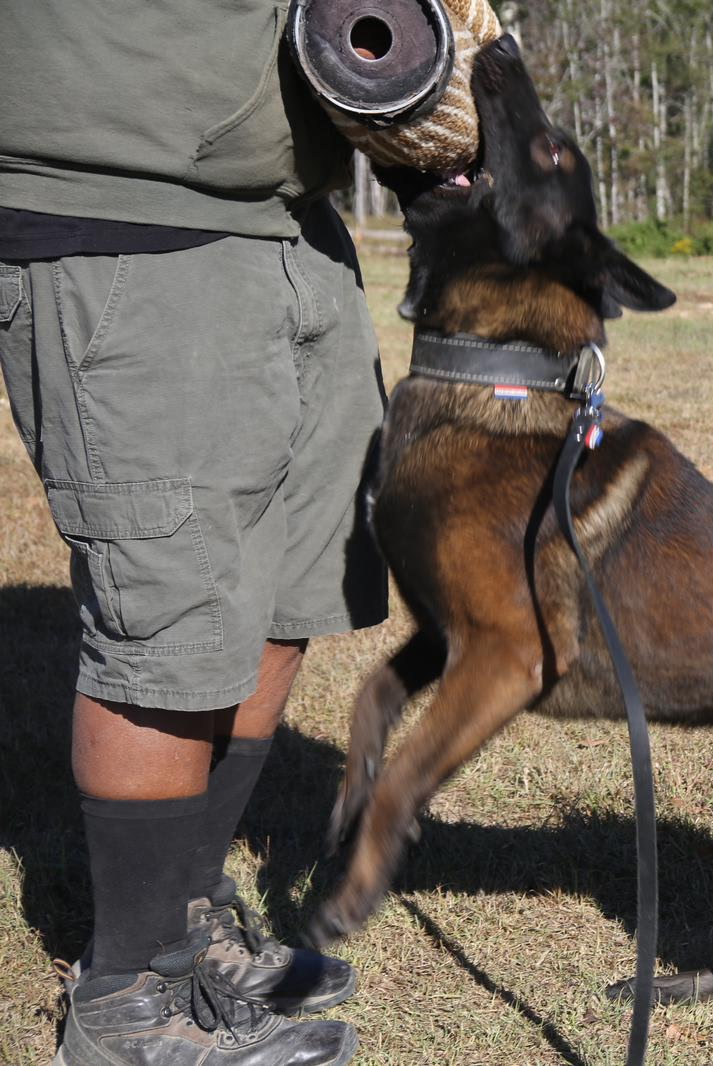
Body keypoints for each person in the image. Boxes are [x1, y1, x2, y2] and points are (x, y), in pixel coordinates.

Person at [0, 5, 389, 1064]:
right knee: (169, 607)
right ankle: (127, 996)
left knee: (286, 584)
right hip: (121, 208)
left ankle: (182, 916)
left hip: (292, 217)